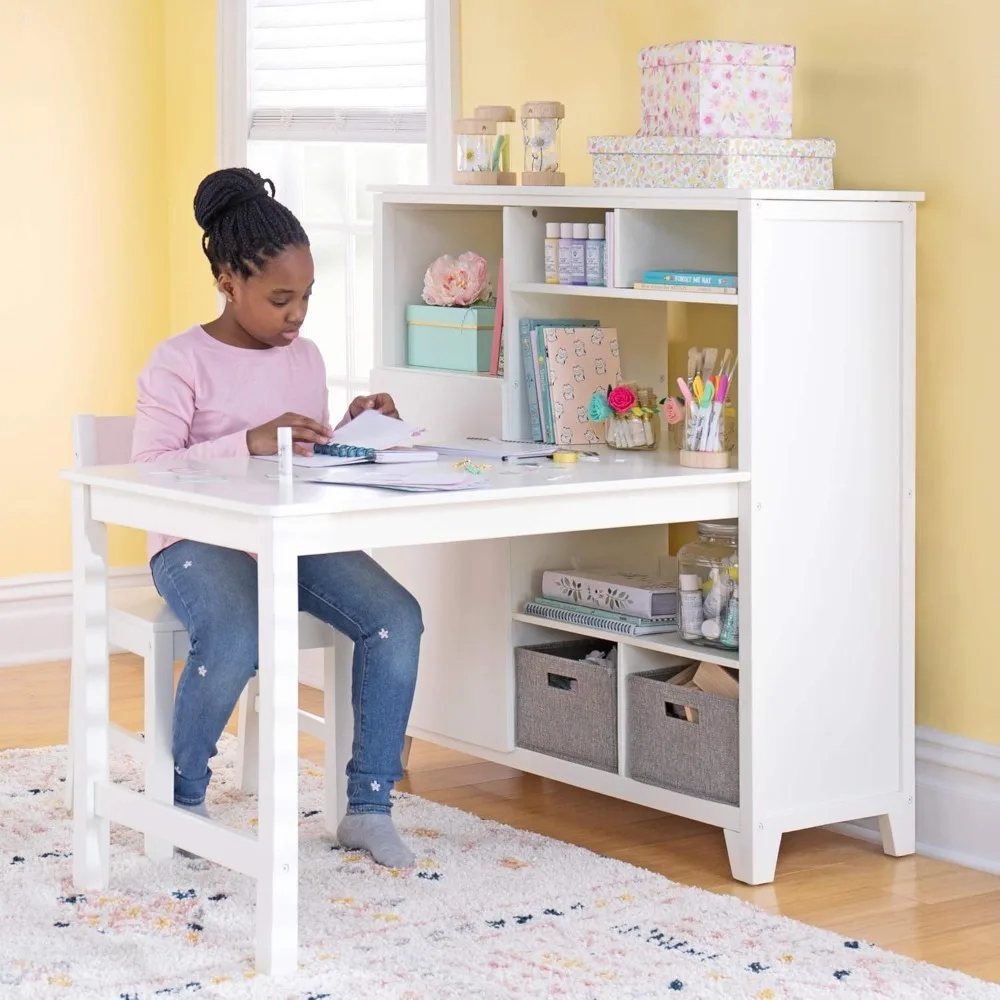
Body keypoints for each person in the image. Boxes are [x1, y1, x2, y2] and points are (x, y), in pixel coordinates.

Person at [130, 167, 422, 868]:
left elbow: (304, 461)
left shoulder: (307, 358)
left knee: (396, 617)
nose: (298, 315)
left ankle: (369, 805)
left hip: (286, 539)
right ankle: (183, 800)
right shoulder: (179, 361)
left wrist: (354, 431)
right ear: (229, 281)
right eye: (281, 298)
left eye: (307, 297)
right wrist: (248, 441)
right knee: (237, 628)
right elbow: (148, 468)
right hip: (195, 542)